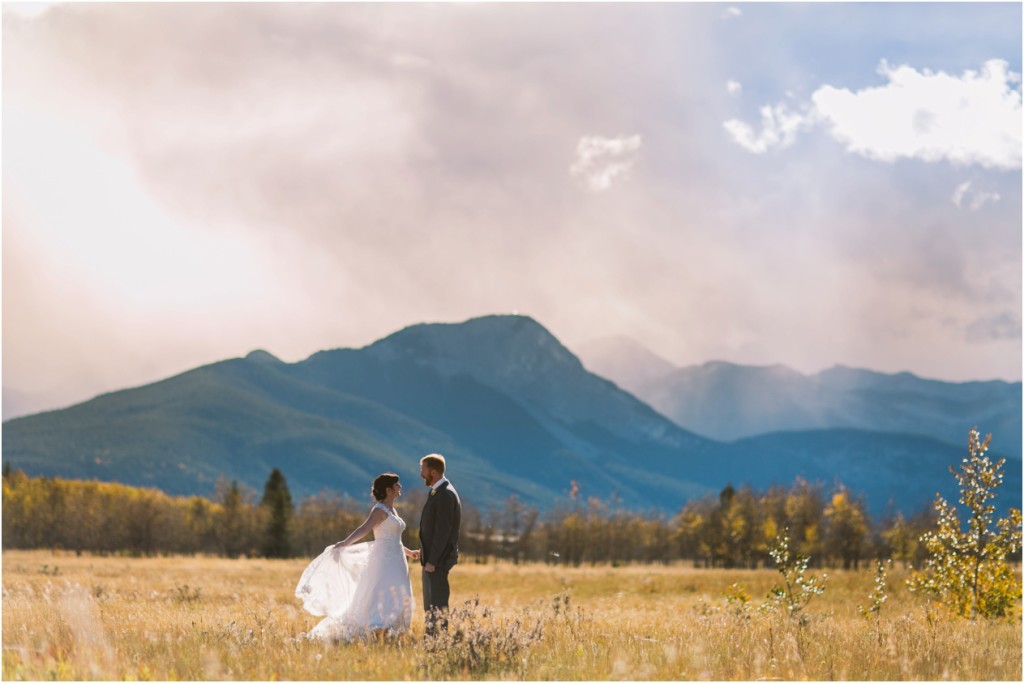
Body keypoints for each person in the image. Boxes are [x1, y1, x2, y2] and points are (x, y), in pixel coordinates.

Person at [295, 473, 419, 642]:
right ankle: (377, 628)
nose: (400, 487)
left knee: (399, 592)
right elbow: (365, 529)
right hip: (383, 561)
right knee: (382, 593)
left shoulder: (392, 510)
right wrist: (345, 543)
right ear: (389, 490)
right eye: (397, 485)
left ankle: (393, 632)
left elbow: (394, 540)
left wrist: (409, 552)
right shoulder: (379, 510)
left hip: (397, 560)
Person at [418, 453, 461, 636]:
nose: (421, 475)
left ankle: (439, 642)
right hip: (431, 560)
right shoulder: (438, 490)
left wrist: (432, 560)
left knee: (437, 605)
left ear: (433, 472)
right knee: (430, 605)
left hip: (437, 562)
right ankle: (431, 641)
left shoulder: (445, 494)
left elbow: (442, 532)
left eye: (423, 471)